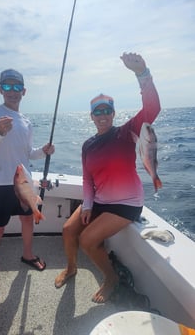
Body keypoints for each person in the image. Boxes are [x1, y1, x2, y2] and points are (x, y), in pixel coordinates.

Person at [54, 52, 161, 303]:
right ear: (91, 116)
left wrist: (142, 73)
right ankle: (71, 268)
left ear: (113, 114)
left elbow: (153, 108)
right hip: (100, 200)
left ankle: (111, 278)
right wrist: (89, 205)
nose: (102, 115)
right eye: (97, 112)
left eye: (107, 111)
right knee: (69, 230)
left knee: (88, 240)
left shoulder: (127, 132)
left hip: (126, 204)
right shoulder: (88, 145)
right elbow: (87, 180)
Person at [0, 69, 55, 305]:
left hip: (24, 182)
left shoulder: (26, 122)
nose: (13, 91)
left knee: (27, 220)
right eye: (8, 86)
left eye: (17, 87)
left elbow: (27, 154)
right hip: (2, 183)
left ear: (23, 91)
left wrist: (41, 151)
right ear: (0, 89)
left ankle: (27, 254)